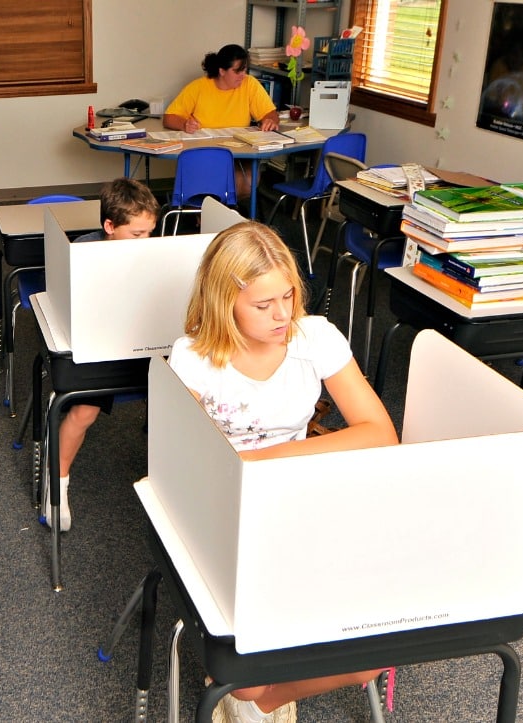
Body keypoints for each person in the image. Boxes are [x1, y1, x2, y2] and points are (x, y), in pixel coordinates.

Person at [168, 221, 397, 723]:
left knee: (372, 657)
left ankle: (268, 700)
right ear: (225, 300)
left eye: (289, 297)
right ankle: (255, 698)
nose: (283, 315)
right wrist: (260, 469)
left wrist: (257, 462)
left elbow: (380, 433)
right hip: (230, 510)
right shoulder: (193, 357)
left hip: (304, 497)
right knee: (246, 686)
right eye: (263, 304)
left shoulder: (314, 337)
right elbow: (192, 467)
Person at [44, 177, 160, 531]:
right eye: (136, 234)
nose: (146, 242)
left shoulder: (152, 254)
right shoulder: (83, 253)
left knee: (191, 395)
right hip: (97, 343)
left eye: (150, 233)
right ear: (109, 227)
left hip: (140, 340)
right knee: (84, 410)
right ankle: (58, 484)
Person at [164, 44, 280, 199]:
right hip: (204, 154)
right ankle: (210, 209)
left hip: (239, 155)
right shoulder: (198, 87)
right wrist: (184, 124)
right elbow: (169, 117)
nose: (242, 75)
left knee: (248, 181)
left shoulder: (250, 84)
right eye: (237, 71)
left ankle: (218, 209)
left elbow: (270, 113)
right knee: (209, 180)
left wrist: (270, 120)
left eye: (244, 70)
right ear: (222, 70)